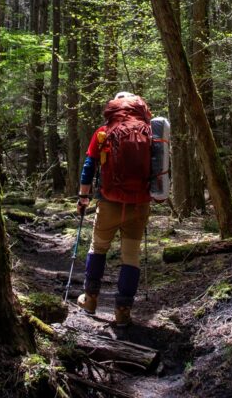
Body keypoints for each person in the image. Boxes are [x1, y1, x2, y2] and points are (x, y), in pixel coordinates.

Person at [76, 92, 153, 326]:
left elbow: (89, 165)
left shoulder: (103, 132)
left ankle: (90, 299)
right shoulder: (151, 132)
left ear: (115, 107)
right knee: (131, 255)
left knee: (98, 247)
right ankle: (122, 311)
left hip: (108, 201)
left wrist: (83, 197)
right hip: (139, 204)